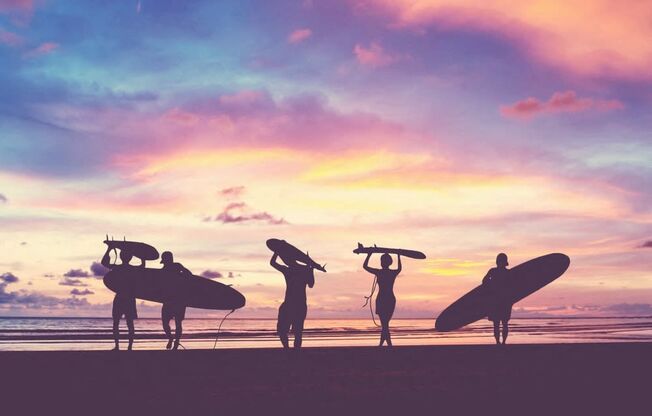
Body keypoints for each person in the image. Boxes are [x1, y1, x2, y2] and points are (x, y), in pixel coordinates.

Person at [270, 253, 315, 349]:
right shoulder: (292, 270)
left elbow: (310, 284)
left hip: (296, 305)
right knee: (287, 331)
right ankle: (288, 349)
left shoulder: (290, 270)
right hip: (293, 305)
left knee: (297, 331)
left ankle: (292, 351)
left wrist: (277, 252)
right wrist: (277, 251)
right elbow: (272, 263)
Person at [101, 247, 142, 351]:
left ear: (121, 257)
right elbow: (143, 266)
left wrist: (109, 249)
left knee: (116, 323)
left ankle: (118, 346)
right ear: (131, 258)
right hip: (130, 298)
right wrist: (142, 256)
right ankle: (129, 347)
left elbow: (104, 262)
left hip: (120, 297)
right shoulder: (133, 269)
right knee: (129, 324)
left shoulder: (117, 268)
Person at [363, 252, 402, 347]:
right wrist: (398, 255)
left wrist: (369, 254)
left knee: (384, 323)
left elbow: (365, 266)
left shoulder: (379, 272)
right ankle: (387, 343)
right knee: (385, 323)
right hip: (389, 299)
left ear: (382, 262)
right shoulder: (392, 273)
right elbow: (399, 268)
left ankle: (384, 344)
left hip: (382, 298)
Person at [160, 251, 192, 350]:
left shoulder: (178, 266)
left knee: (178, 323)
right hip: (168, 300)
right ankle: (170, 338)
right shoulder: (162, 271)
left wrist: (181, 276)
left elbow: (189, 275)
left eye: (165, 260)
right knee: (165, 323)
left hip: (179, 299)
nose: (164, 263)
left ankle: (177, 342)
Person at [482, 253, 512, 345]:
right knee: (502, 324)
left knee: (498, 324)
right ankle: (501, 342)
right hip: (503, 301)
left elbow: (484, 281)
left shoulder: (493, 271)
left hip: (497, 301)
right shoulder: (508, 273)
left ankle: (499, 342)